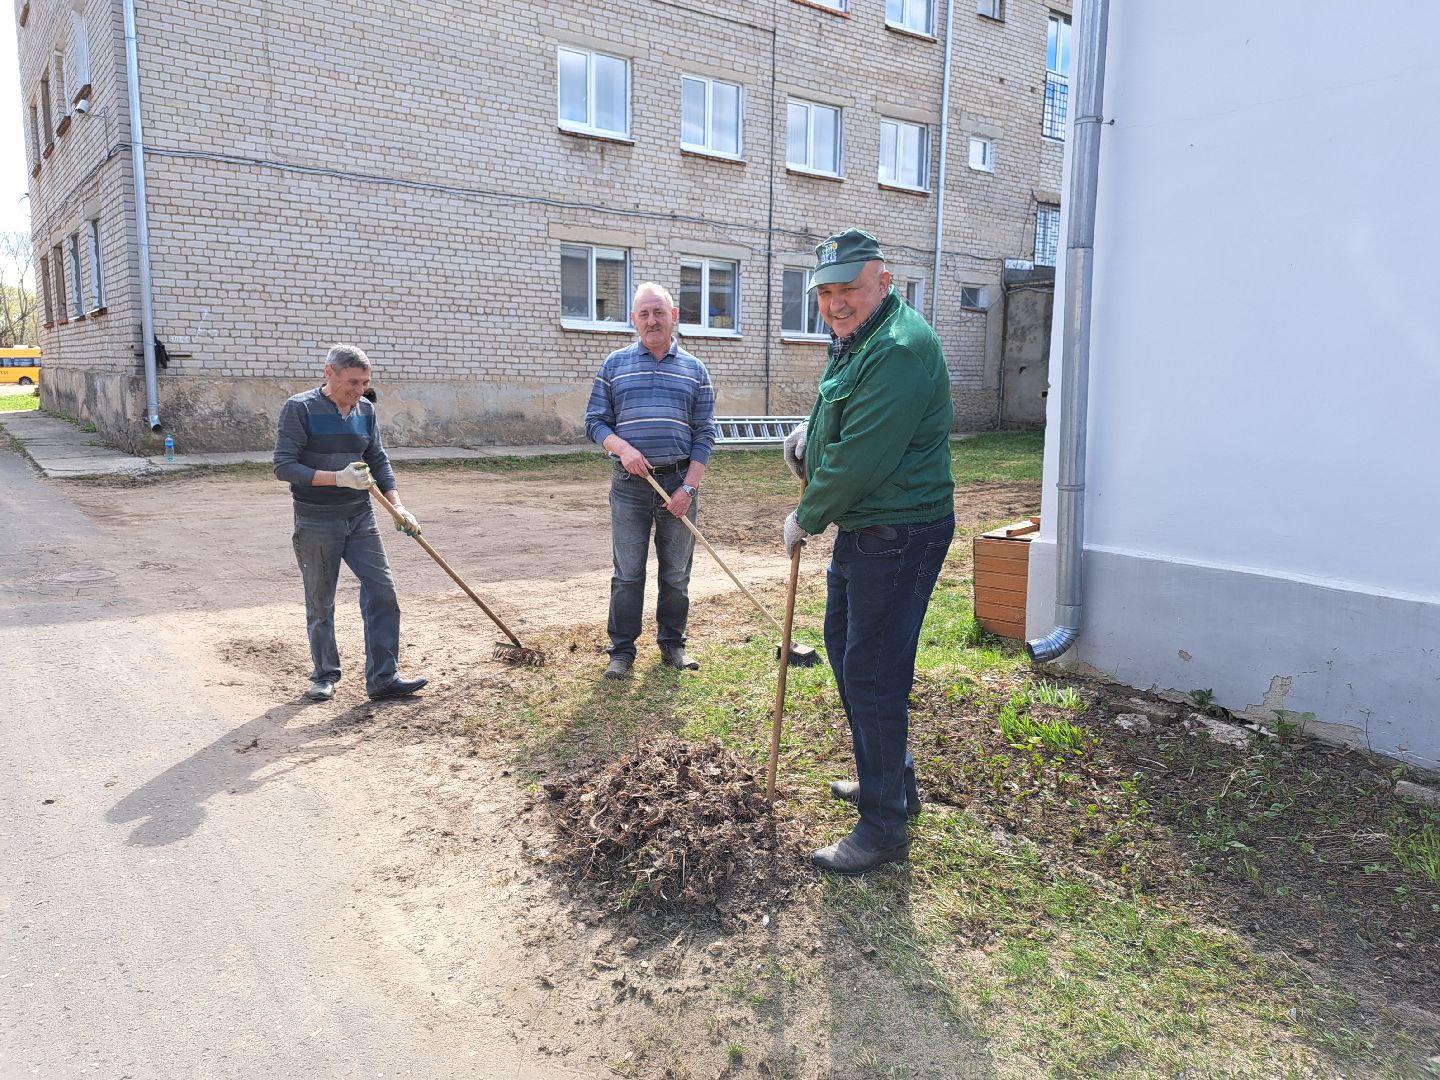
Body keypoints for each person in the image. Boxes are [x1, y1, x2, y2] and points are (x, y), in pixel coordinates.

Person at [781, 229, 956, 875]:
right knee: (847, 654)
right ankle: (893, 781)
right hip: (869, 531)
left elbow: (862, 456)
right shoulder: (862, 338)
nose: (836, 302)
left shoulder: (901, 349)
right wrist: (809, 435)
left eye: (848, 288)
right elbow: (843, 423)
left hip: (899, 534)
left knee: (873, 674)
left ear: (884, 280)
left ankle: (883, 826)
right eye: (826, 291)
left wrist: (808, 512)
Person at [273, 344, 429, 703]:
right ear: (329, 373)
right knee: (321, 600)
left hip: (360, 517)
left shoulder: (365, 411)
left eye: (365, 382)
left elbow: (378, 458)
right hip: (316, 520)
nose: (359, 390)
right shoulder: (300, 409)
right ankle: (324, 674)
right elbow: (284, 466)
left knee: (382, 592)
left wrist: (399, 507)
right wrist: (337, 478)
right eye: (352, 382)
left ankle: (383, 678)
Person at [585, 283, 717, 680]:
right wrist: (622, 448)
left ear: (673, 316)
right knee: (627, 572)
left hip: (678, 482)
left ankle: (673, 645)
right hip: (629, 485)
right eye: (644, 314)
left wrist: (688, 488)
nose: (652, 320)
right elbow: (594, 421)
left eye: (659, 312)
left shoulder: (695, 369)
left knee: (676, 572)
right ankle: (621, 652)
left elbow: (705, 433)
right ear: (634, 320)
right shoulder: (614, 365)